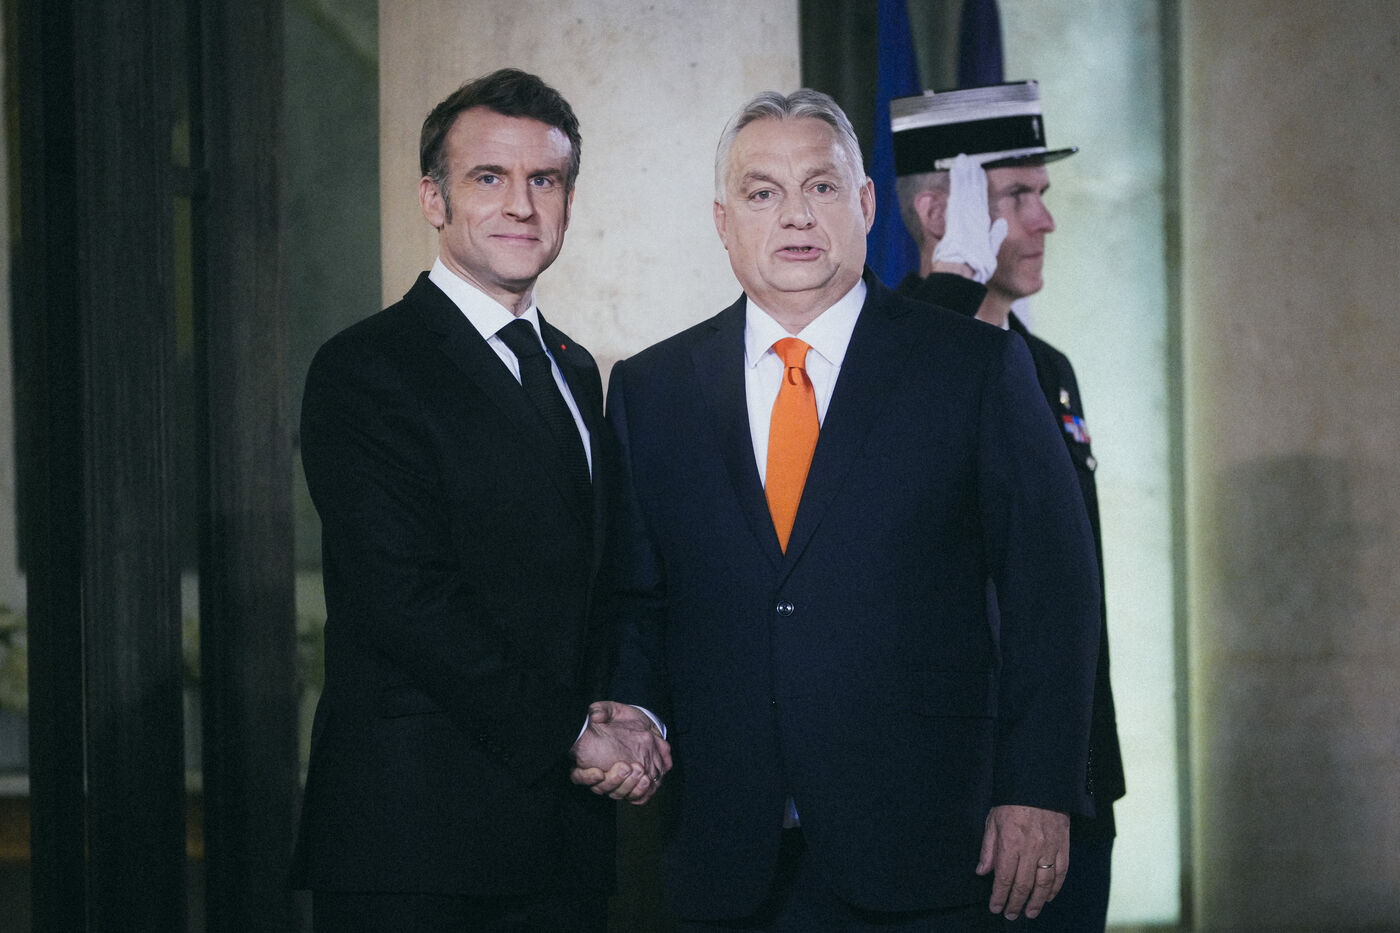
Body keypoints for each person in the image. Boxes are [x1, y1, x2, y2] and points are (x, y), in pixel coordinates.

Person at [579, 88, 1100, 930]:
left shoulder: (973, 368)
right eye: (762, 192)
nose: (795, 215)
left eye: (820, 187)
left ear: (864, 204)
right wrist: (636, 710)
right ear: (722, 222)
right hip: (724, 855)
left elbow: (1053, 592)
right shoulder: (651, 390)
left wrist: (1038, 788)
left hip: (930, 847)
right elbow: (640, 601)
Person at [291, 68, 670, 933]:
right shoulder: (365, 368)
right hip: (416, 840)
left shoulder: (574, 368)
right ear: (434, 198)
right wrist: (577, 730)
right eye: (489, 177)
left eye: (546, 180)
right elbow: (407, 599)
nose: (522, 205)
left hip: (561, 836)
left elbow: (597, 581)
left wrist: (628, 712)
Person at [890, 81, 1127, 931]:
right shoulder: (885, 359)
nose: (1044, 221)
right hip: (958, 800)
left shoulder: (1046, 367)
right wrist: (954, 287)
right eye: (1016, 195)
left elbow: (1065, 586)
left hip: (1072, 785)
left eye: (1042, 194)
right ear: (937, 210)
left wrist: (1081, 777)